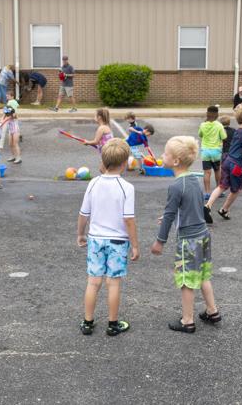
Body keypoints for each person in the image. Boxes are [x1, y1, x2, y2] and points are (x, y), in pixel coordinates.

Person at [151, 136, 219, 334]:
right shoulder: (194, 180)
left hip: (188, 240)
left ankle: (187, 320)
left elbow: (170, 214)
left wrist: (160, 241)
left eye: (165, 153)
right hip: (203, 235)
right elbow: (193, 206)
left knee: (186, 280)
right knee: (203, 274)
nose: (162, 155)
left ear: (175, 161)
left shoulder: (175, 186)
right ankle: (212, 311)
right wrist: (172, 216)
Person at [77, 138, 139, 336]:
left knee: (93, 282)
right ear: (124, 163)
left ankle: (88, 322)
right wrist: (135, 245)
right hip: (118, 242)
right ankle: (112, 324)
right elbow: (128, 219)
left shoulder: (93, 183)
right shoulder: (127, 187)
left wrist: (80, 234)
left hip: (95, 239)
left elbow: (84, 213)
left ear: (103, 161)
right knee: (113, 283)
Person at [204, 104, 242, 222]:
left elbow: (240, 150)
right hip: (237, 166)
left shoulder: (238, 131)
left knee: (222, 186)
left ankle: (208, 206)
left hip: (227, 161)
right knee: (237, 189)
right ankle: (224, 209)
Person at [198, 106, 227, 199]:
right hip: (216, 152)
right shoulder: (219, 125)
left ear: (207, 114)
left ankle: (207, 192)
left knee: (207, 173)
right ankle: (218, 190)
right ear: (217, 115)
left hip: (205, 151)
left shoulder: (203, 125)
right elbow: (224, 137)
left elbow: (200, 134)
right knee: (217, 171)